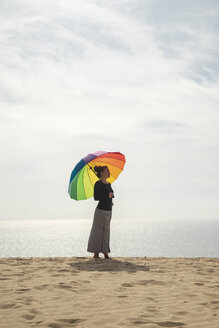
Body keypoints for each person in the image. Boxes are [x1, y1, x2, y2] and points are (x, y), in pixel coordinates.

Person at [87, 165, 114, 259]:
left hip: (109, 210)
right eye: (107, 171)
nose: (109, 172)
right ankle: (96, 253)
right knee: (97, 232)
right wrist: (107, 197)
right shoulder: (98, 184)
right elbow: (96, 197)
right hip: (100, 211)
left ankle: (106, 253)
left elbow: (109, 196)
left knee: (106, 232)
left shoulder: (109, 184)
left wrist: (110, 201)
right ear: (102, 173)